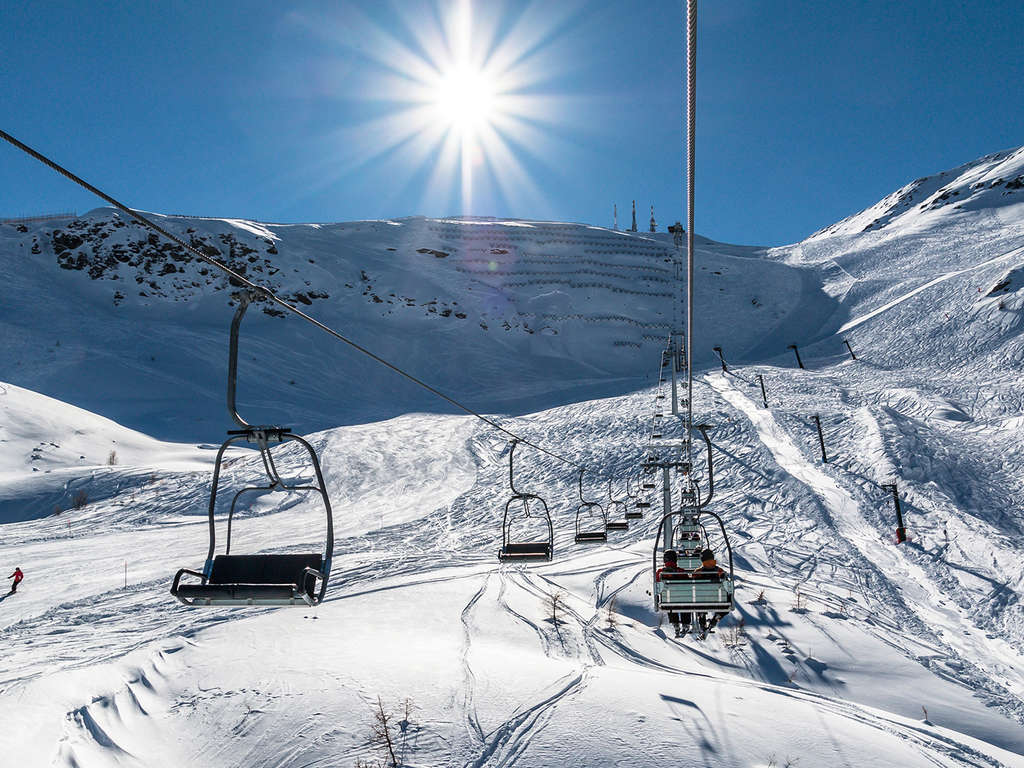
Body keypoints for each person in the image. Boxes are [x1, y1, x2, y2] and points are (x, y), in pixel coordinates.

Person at [691, 549, 728, 635]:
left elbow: (692, 584)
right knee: (726, 607)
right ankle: (717, 617)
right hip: (717, 600)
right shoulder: (719, 571)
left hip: (701, 601)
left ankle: (701, 618)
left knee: (699, 603)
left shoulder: (698, 572)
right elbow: (725, 583)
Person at [656, 550, 691, 637]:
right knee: (684, 601)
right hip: (683, 601)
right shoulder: (682, 572)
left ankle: (675, 623)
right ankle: (685, 623)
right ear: (675, 559)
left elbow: (657, 585)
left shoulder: (660, 572)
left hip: (668, 601)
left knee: (669, 600)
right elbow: (688, 585)